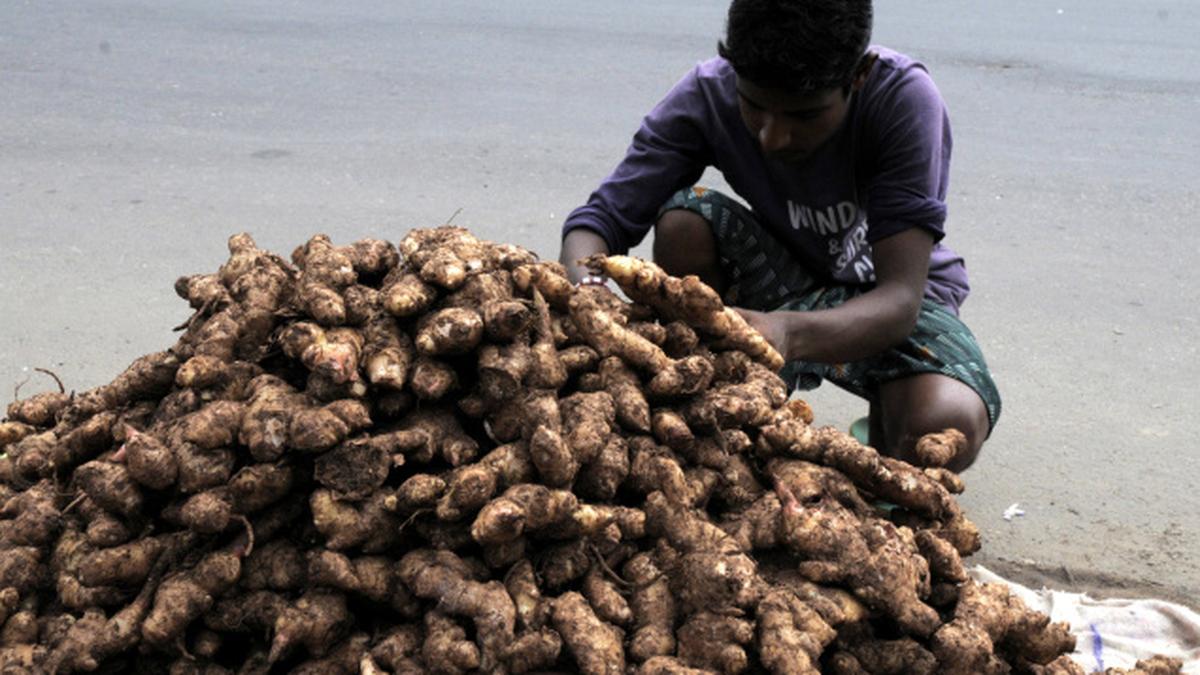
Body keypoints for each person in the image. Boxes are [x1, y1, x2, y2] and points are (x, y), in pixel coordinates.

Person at [558, 0, 999, 471]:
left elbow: (900, 300)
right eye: (754, 106)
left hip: (887, 302)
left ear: (858, 76)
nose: (773, 137)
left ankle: (889, 408)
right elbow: (599, 223)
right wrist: (591, 301)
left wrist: (786, 332)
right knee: (685, 221)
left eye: (804, 116)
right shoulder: (709, 94)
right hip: (782, 276)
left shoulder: (901, 99)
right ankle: (725, 417)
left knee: (937, 430)